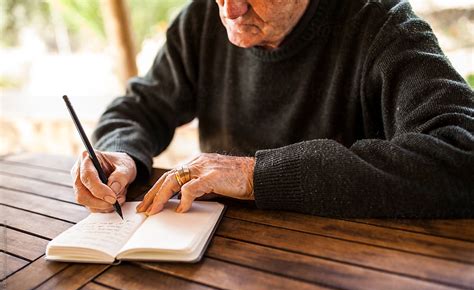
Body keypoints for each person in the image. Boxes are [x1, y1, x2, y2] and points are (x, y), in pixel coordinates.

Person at [71, 0, 474, 218]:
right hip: (216, 262)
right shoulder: (199, 20)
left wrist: (254, 174)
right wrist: (120, 153)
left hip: (351, 263)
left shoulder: (383, 27)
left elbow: (462, 155)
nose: (228, 10)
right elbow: (141, 107)